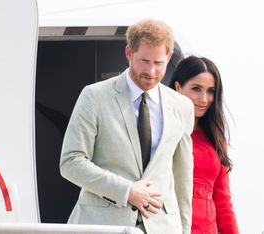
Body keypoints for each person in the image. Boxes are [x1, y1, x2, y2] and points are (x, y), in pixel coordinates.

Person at [60, 19, 194, 234]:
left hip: (163, 227)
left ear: (169, 57)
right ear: (129, 53)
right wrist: (126, 191)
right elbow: (71, 162)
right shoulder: (94, 96)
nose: (151, 71)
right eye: (144, 61)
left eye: (158, 63)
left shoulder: (183, 106)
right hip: (101, 226)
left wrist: (185, 230)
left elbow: (183, 177)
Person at [170, 55, 240, 234]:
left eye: (210, 91)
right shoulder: (162, 131)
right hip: (170, 226)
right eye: (196, 89)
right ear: (178, 87)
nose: (204, 99)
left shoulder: (215, 138)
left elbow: (223, 201)